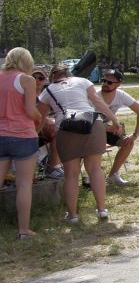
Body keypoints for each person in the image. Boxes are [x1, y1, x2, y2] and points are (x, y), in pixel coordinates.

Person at [39, 64, 121, 223]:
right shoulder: (82, 81)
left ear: (52, 76)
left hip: (67, 128)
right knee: (95, 169)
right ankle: (102, 210)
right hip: (92, 123)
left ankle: (72, 216)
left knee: (71, 174)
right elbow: (98, 102)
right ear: (69, 73)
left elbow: (41, 118)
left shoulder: (47, 91)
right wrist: (114, 120)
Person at [1, 48, 44, 239]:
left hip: (1, 134)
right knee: (24, 184)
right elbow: (30, 110)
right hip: (23, 135)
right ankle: (24, 230)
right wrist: (39, 118)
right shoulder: (27, 80)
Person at [98, 69, 139, 186]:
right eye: (104, 80)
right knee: (95, 147)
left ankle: (112, 176)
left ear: (118, 84)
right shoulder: (94, 96)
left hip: (106, 129)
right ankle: (90, 177)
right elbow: (87, 121)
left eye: (109, 82)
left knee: (128, 143)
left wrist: (135, 135)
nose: (105, 84)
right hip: (90, 131)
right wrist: (109, 128)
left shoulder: (121, 95)